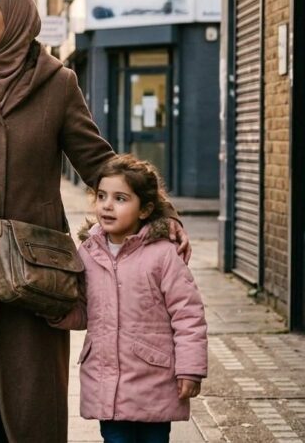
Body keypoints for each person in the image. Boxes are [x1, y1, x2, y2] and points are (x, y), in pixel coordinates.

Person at [0, 0, 191, 442]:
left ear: (14, 18)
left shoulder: (57, 83)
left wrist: (161, 212)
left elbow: (99, 162)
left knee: (29, 403)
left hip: (35, 273)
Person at [50, 154, 207, 443]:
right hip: (106, 381)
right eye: (101, 196)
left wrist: (191, 368)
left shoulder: (162, 255)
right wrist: (58, 312)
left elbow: (188, 315)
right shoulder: (88, 251)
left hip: (154, 380)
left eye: (121, 199)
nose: (107, 205)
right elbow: (85, 310)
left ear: (145, 209)